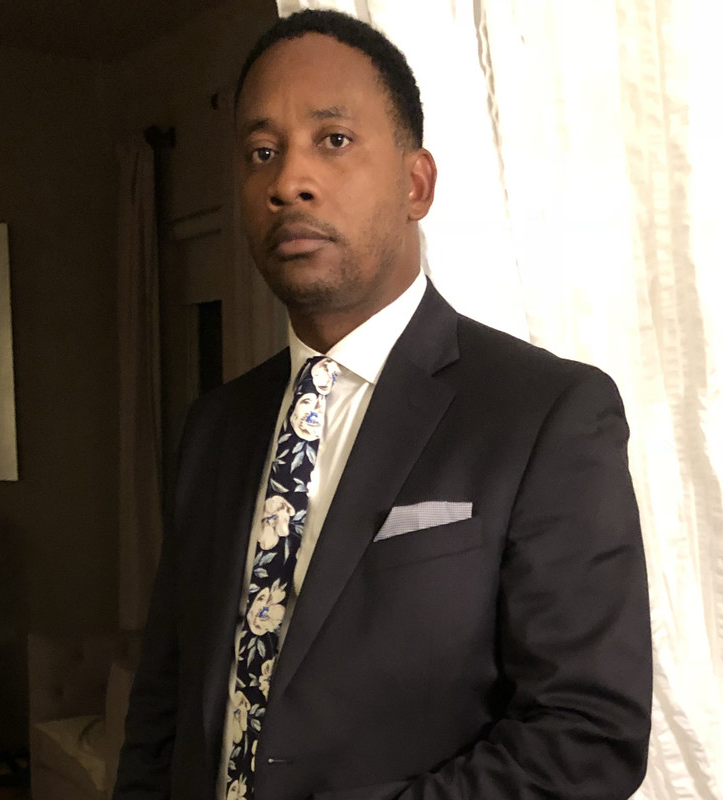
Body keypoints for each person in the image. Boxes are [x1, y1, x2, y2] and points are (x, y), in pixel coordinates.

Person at [113, 10, 651, 800]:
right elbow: (165, 700)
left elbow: (586, 734)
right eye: (262, 153)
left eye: (333, 139)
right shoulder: (216, 427)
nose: (288, 181)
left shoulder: (547, 414)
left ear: (415, 184)